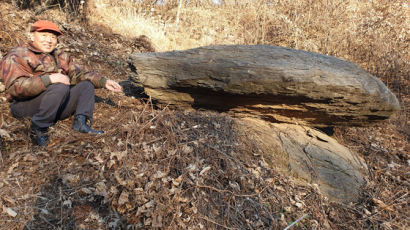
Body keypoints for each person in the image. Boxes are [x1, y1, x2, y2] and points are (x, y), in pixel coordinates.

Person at [0, 20, 123, 146]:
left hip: (54, 104)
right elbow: (15, 88)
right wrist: (49, 79)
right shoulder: (17, 55)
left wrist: (103, 82)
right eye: (44, 35)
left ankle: (80, 123)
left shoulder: (61, 56)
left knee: (86, 85)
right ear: (32, 35)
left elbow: (79, 74)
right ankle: (38, 129)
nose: (49, 40)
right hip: (25, 106)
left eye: (53, 37)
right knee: (60, 87)